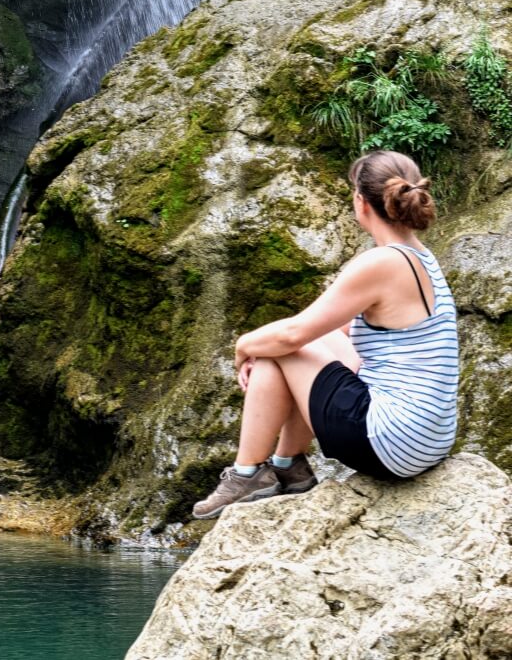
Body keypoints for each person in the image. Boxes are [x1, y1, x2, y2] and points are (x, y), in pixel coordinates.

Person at [191, 149, 459, 519]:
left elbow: (293, 335)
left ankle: (248, 473)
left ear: (361, 202)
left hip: (390, 443)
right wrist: (271, 345)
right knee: (287, 346)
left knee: (279, 347)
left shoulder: (381, 262)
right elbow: (335, 331)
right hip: (427, 441)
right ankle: (287, 466)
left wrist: (244, 347)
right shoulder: (420, 256)